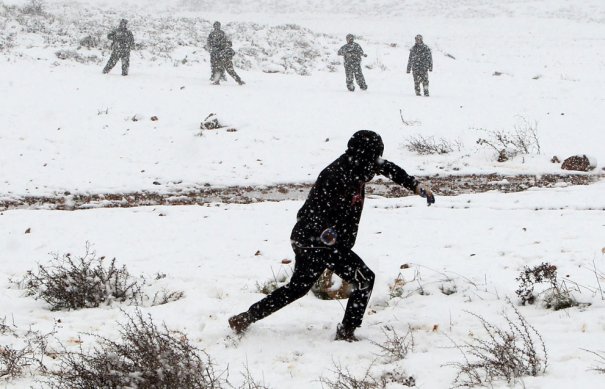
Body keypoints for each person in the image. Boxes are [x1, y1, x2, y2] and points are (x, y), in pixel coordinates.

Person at [228, 130, 435, 341]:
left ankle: (245, 318)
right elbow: (311, 212)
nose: (376, 164)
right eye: (373, 158)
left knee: (297, 289)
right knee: (364, 279)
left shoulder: (362, 163)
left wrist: (416, 186)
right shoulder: (335, 175)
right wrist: (327, 234)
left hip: (313, 240)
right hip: (317, 240)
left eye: (377, 158)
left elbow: (390, 168)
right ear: (362, 155)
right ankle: (346, 332)